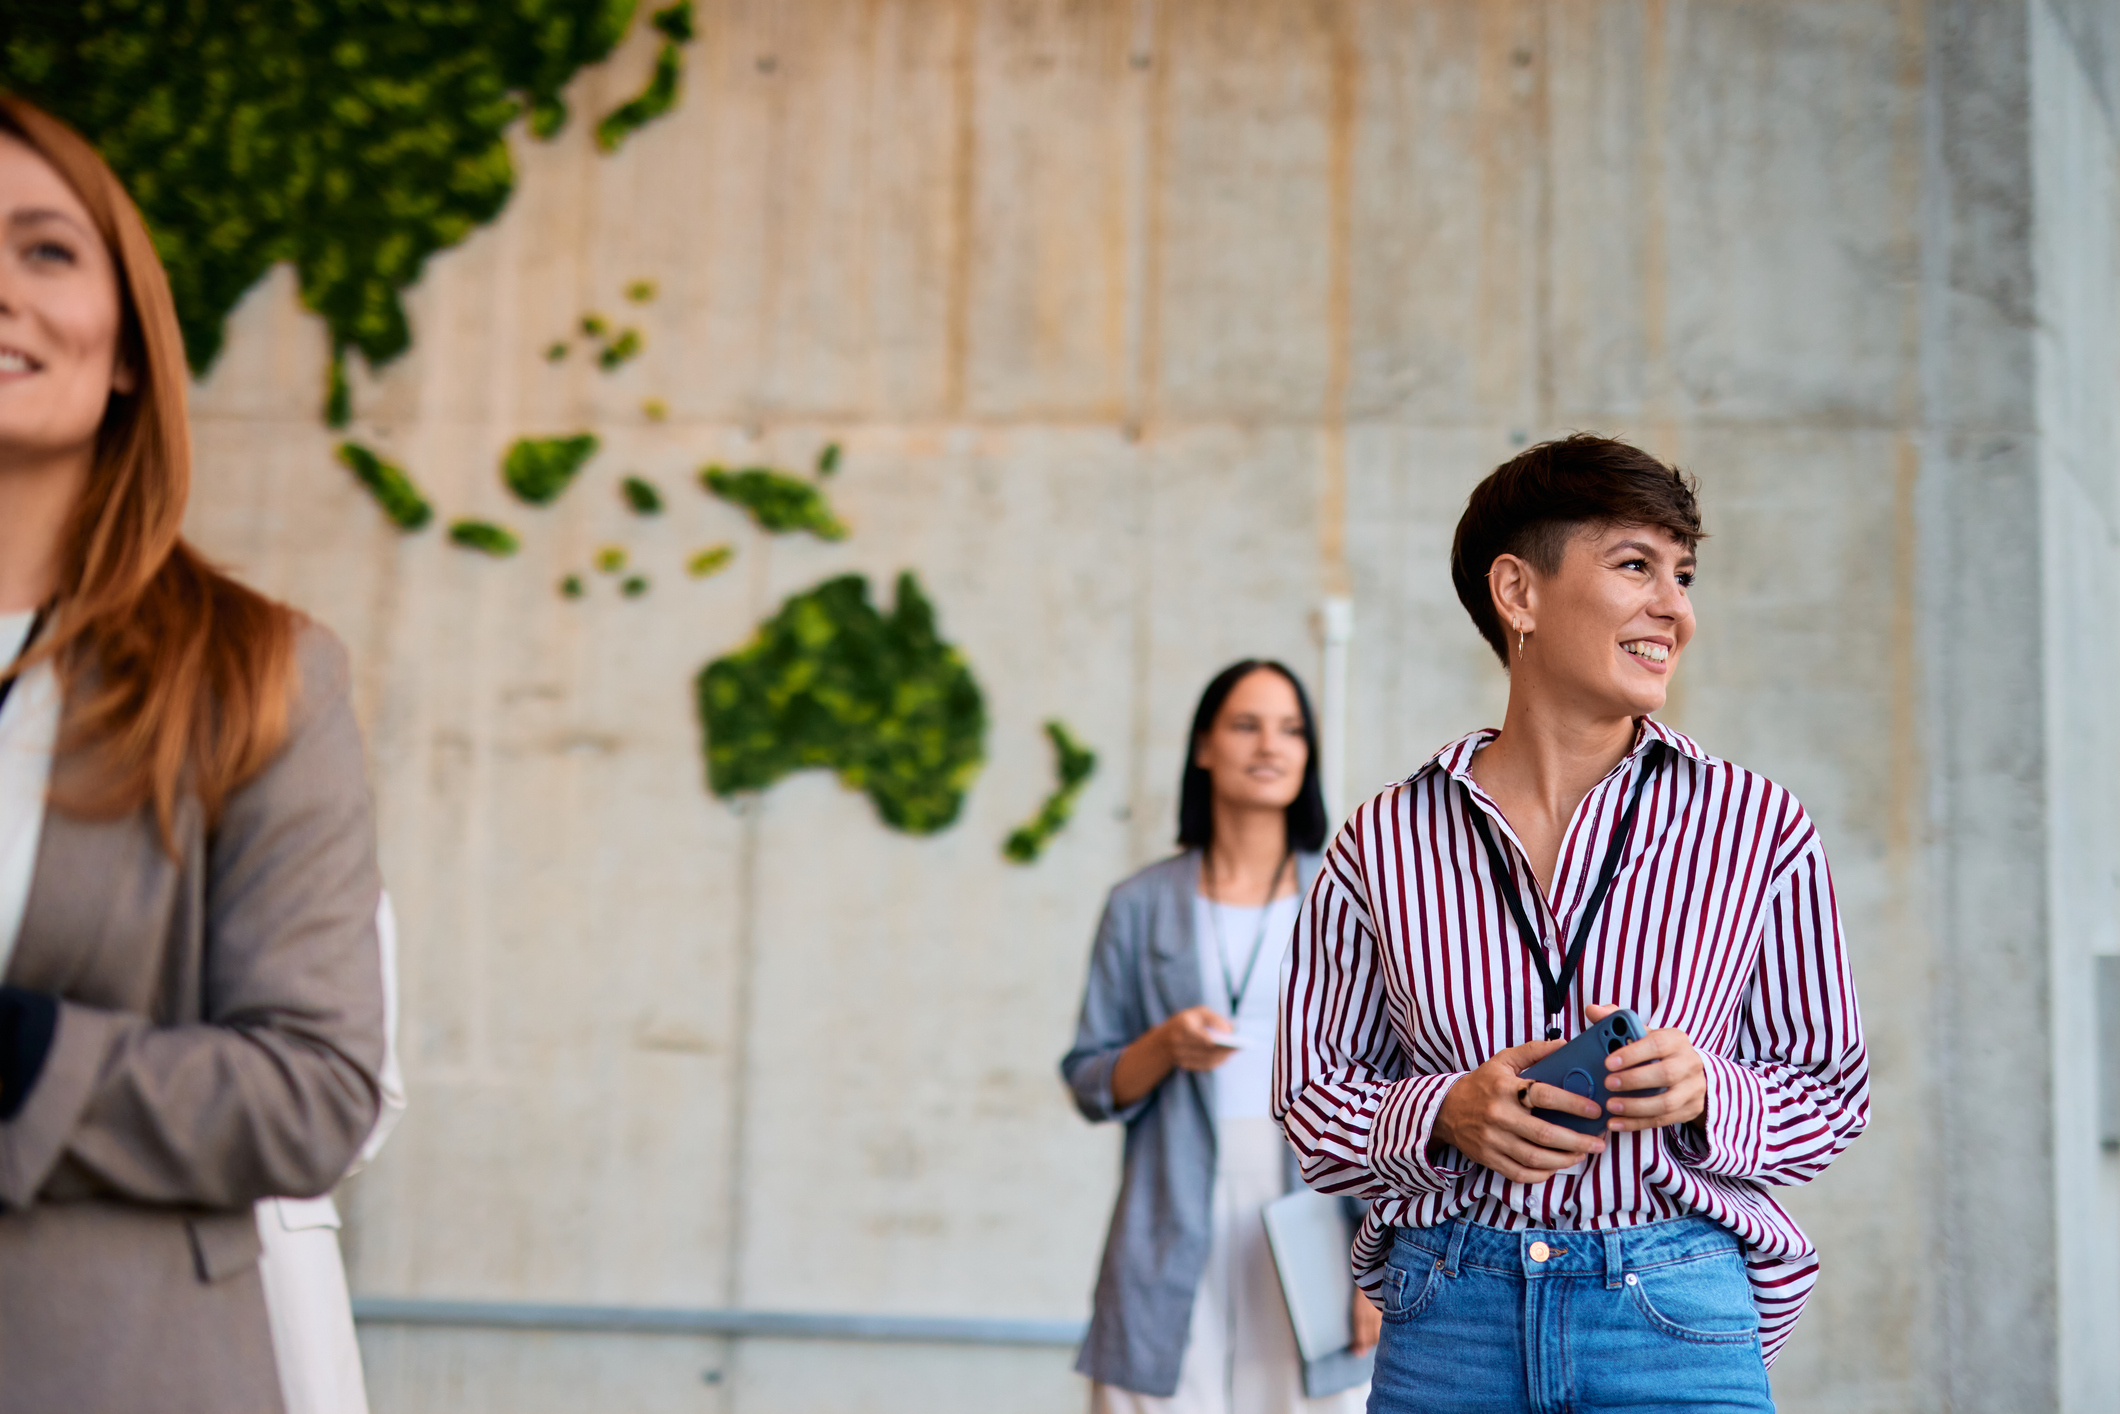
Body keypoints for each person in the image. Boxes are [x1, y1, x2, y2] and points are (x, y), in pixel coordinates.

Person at [1274, 435, 1869, 1413]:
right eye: (1634, 565)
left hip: (1672, 1317)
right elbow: (1311, 1097)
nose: (1674, 608)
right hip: (1446, 1315)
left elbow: (1829, 1095)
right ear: (1517, 593)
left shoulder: (1757, 826)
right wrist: (1442, 1111)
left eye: (1681, 574)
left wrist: (1703, 1087)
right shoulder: (1379, 842)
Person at [0, 95, 387, 1413]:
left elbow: (317, 1091)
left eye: (44, 249)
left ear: (124, 347)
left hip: (112, 1368)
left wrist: (29, 1057)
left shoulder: (259, 676)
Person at [1063, 660, 1374, 1414]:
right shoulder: (1139, 905)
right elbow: (1088, 1078)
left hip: (1314, 1206)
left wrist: (1378, 1271)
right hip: (1175, 1202)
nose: (1271, 745)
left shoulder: (1348, 896)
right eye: (1246, 724)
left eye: (1291, 729)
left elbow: (1390, 1085)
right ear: (1203, 746)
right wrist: (1163, 1046)